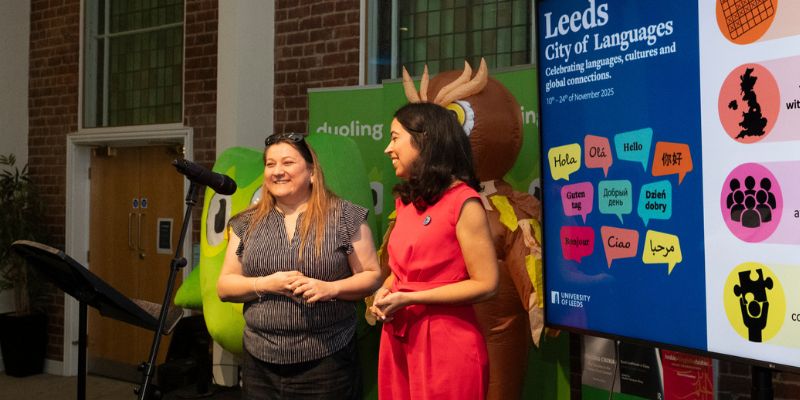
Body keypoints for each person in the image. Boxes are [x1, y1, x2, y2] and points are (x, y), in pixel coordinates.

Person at [217, 132, 382, 399]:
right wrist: (265, 284)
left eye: (287, 163)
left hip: (327, 363)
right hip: (259, 365)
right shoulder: (245, 223)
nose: (277, 171)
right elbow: (225, 286)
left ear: (312, 172)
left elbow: (372, 276)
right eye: (270, 164)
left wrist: (330, 289)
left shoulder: (345, 216)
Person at [370, 102, 500, 399]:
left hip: (446, 344)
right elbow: (402, 272)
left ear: (424, 139)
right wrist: (385, 291)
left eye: (394, 137)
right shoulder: (406, 203)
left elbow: (487, 283)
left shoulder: (464, 202)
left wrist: (411, 297)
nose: (388, 149)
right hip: (398, 335)